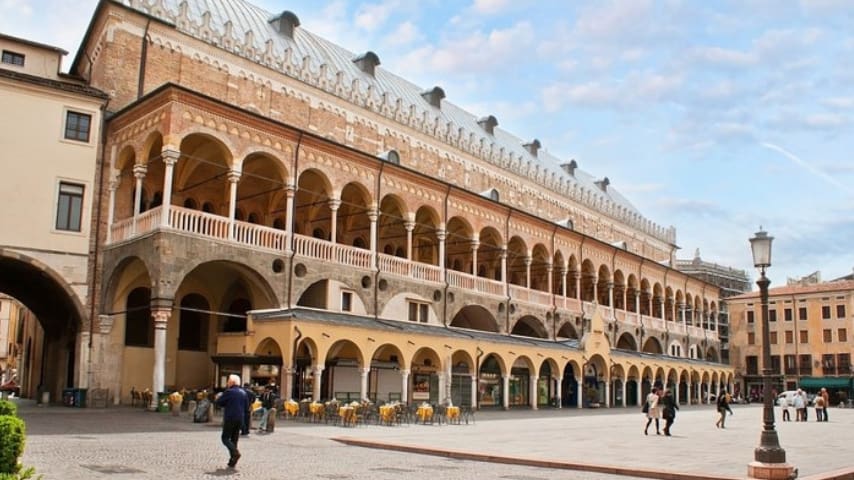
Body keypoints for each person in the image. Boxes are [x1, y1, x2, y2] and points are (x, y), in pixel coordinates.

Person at [215, 374, 249, 469]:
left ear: (232, 382)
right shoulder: (243, 392)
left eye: (228, 381)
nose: (227, 383)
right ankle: (232, 461)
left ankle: (235, 453)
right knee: (234, 439)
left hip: (230, 417)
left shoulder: (229, 392)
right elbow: (247, 407)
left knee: (225, 438)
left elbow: (219, 402)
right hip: (240, 419)